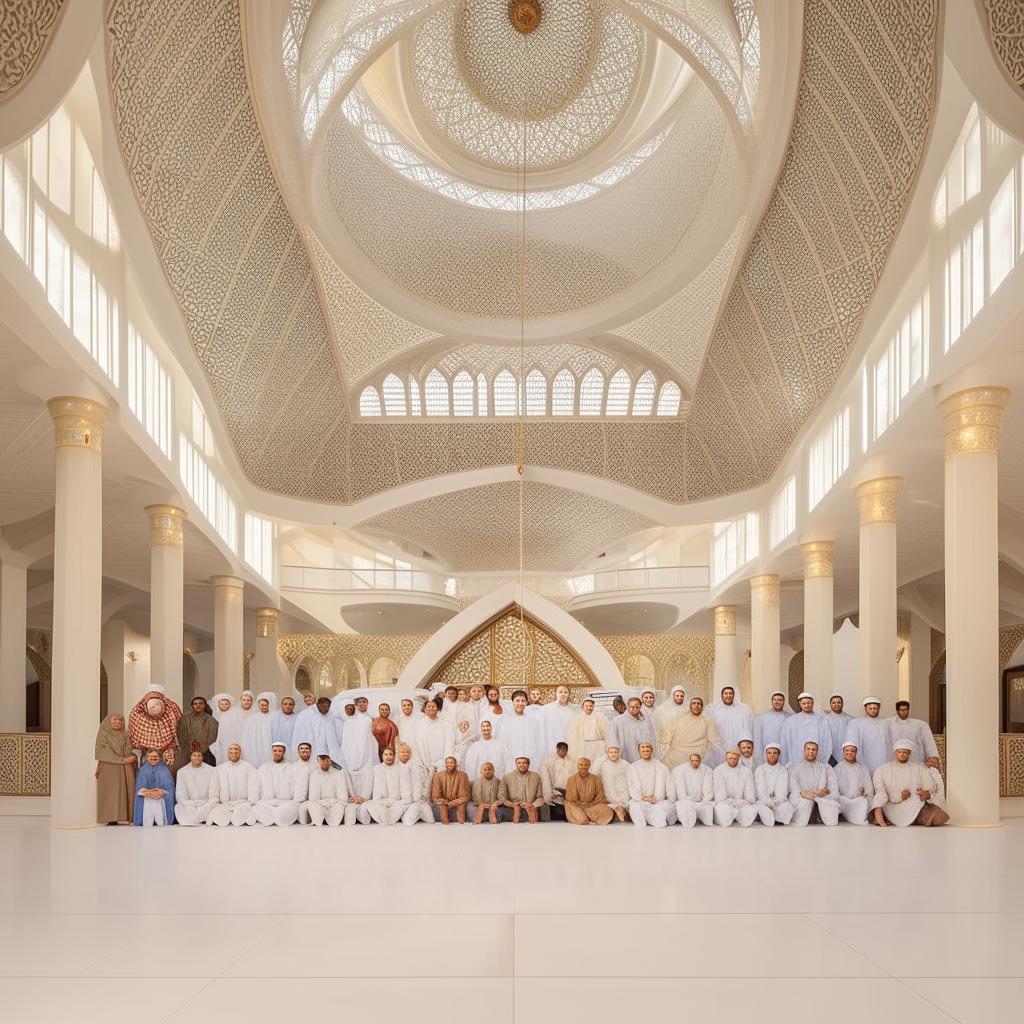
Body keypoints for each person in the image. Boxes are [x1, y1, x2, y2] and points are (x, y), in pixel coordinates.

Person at [871, 741, 949, 827]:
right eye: (899, 752)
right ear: (895, 752)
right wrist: (900, 796)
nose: (902, 754)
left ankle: (917, 819)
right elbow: (881, 794)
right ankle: (892, 819)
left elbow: (930, 786)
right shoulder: (883, 769)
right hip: (892, 806)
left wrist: (926, 793)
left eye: (905, 752)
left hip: (915, 804)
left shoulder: (918, 768)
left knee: (939, 817)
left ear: (909, 753)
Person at [94, 713, 137, 824]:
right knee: (110, 792)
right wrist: (122, 760)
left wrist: (132, 757)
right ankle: (110, 818)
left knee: (123, 791)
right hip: (108, 767)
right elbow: (102, 751)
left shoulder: (126, 734)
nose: (118, 722)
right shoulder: (103, 734)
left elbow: (128, 751)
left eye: (120, 720)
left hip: (124, 768)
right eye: (115, 719)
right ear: (109, 721)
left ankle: (124, 816)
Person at [789, 741, 840, 826]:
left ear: (817, 751)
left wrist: (826, 791)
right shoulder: (795, 768)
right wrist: (802, 793)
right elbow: (794, 788)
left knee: (830, 805)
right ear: (804, 750)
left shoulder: (825, 767)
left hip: (821, 797)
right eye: (808, 749)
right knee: (803, 802)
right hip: (802, 797)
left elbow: (833, 788)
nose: (810, 751)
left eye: (813, 749)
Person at [627, 742, 676, 828]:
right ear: (639, 751)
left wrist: (656, 799)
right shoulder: (633, 767)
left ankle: (653, 816)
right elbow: (632, 786)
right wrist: (643, 798)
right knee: (635, 806)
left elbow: (669, 786)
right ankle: (650, 816)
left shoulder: (662, 767)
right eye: (643, 748)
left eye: (647, 748)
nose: (645, 750)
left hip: (657, 801)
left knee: (670, 807)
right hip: (640, 801)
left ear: (651, 750)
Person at [662, 696, 720, 769]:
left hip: (699, 750)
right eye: (694, 703)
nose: (696, 706)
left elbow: (713, 738)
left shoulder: (707, 720)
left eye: (699, 704)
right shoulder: (680, 719)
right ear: (690, 706)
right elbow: (667, 735)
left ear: (702, 707)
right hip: (680, 750)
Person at [208, 743, 258, 826]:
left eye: (236, 750)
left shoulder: (249, 768)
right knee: (219, 819)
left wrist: (251, 803)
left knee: (242, 818)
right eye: (231, 750)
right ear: (228, 753)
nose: (233, 752)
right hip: (226, 804)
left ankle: (240, 817)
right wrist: (215, 804)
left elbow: (254, 788)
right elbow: (214, 789)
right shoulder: (219, 769)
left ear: (240, 753)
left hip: (244, 804)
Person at [359, 746, 411, 825]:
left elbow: (405, 788)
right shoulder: (376, 769)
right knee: (364, 807)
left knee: (398, 809)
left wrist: (404, 800)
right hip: (379, 802)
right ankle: (383, 817)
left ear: (394, 756)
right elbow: (368, 786)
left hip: (395, 802)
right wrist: (364, 798)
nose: (388, 757)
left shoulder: (401, 769)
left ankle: (386, 818)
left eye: (391, 754)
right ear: (382, 756)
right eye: (386, 754)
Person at [128, 687, 182, 763]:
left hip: (169, 750)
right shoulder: (137, 713)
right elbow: (134, 738)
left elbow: (179, 732)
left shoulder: (172, 710)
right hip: (146, 752)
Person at [252, 742, 300, 826]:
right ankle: (275, 816)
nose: (277, 753)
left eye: (280, 751)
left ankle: (274, 817)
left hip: (285, 802)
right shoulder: (263, 768)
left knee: (294, 808)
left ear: (284, 753)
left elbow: (294, 787)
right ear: (272, 752)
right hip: (266, 802)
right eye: (275, 751)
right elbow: (257, 787)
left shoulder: (291, 768)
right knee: (255, 808)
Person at [705, 686, 754, 768]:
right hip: (719, 747)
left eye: (730, 693)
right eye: (725, 694)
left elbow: (747, 728)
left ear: (734, 695)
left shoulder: (743, 710)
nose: (728, 696)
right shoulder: (714, 711)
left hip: (736, 744)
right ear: (722, 696)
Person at [844, 697, 893, 774]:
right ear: (865, 709)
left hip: (882, 761)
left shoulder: (885, 723)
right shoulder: (856, 723)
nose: (873, 710)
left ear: (879, 708)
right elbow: (852, 744)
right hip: (864, 761)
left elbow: (890, 745)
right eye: (870, 708)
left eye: (875, 708)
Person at [497, 689, 544, 768]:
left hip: (528, 760)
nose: (520, 703)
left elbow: (537, 746)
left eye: (523, 701)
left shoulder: (533, 722)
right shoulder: (505, 721)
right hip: (510, 760)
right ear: (513, 702)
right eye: (517, 701)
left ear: (526, 703)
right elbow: (502, 745)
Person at [780, 693, 831, 766]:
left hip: (817, 761)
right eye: (804, 703)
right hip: (796, 760)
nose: (806, 705)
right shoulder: (791, 721)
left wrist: (823, 761)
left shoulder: (821, 721)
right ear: (800, 704)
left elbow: (827, 743)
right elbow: (785, 742)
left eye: (809, 703)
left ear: (813, 703)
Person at [303, 752, 352, 826]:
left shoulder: (338, 775)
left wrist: (331, 803)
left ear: (330, 760)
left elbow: (342, 797)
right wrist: (324, 803)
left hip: (335, 804)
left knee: (340, 807)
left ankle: (331, 821)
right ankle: (319, 820)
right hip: (319, 804)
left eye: (326, 759)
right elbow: (313, 798)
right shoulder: (314, 776)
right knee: (312, 806)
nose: (323, 762)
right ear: (318, 761)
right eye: (321, 760)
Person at [712, 748, 757, 827]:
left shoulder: (746, 771)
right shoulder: (718, 770)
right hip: (724, 804)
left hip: (742, 803)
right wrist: (730, 802)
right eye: (730, 758)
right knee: (723, 813)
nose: (732, 760)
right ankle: (731, 815)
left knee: (752, 811)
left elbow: (750, 794)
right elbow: (720, 795)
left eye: (734, 758)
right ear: (726, 758)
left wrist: (740, 802)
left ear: (739, 758)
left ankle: (738, 815)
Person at [292, 696, 343, 765]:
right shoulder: (305, 715)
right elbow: (300, 735)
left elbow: (338, 733)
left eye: (327, 706)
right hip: (312, 748)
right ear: (317, 705)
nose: (325, 708)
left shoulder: (333, 715)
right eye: (323, 706)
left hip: (329, 750)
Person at [174, 749, 218, 825]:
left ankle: (193, 820)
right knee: (178, 807)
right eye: (194, 755)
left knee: (214, 806)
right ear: (190, 757)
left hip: (206, 804)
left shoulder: (211, 770)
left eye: (199, 756)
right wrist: (192, 804)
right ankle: (198, 819)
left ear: (202, 757)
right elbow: (180, 794)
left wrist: (205, 805)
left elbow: (214, 794)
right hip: (190, 805)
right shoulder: (182, 772)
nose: (197, 758)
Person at [606, 697, 656, 764]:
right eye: (631, 707)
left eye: (637, 707)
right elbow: (612, 738)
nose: (634, 709)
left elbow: (652, 737)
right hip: (625, 756)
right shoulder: (618, 720)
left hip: (643, 755)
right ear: (627, 706)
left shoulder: (645, 720)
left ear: (640, 706)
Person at [753, 744, 793, 826]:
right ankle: (769, 818)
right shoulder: (760, 769)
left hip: (778, 802)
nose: (772, 755)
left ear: (779, 755)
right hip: (762, 801)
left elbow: (783, 791)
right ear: (766, 754)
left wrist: (776, 802)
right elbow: (760, 791)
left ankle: (775, 819)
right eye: (769, 753)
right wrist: (768, 802)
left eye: (775, 753)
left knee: (787, 807)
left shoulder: (783, 770)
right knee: (764, 810)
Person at [133, 748, 175, 826]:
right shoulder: (143, 770)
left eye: (155, 757)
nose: (153, 758)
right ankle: (145, 822)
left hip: (161, 797)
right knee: (147, 801)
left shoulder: (164, 769)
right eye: (151, 757)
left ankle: (162, 822)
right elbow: (140, 787)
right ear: (147, 757)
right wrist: (149, 793)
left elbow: (169, 787)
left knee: (159, 802)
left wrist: (161, 792)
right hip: (147, 797)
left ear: (159, 757)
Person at [565, 757, 613, 825]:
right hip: (577, 806)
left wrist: (590, 804)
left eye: (586, 765)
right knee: (569, 806)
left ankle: (586, 816)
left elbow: (600, 796)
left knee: (607, 810)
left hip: (592, 806)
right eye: (581, 765)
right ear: (577, 766)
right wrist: (580, 805)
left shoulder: (596, 779)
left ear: (589, 766)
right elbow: (570, 798)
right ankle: (587, 818)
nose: (583, 767)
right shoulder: (571, 779)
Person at [834, 742, 873, 825]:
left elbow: (869, 789)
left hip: (858, 801)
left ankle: (856, 817)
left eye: (852, 751)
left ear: (856, 752)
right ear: (843, 752)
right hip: (843, 801)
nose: (849, 753)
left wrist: (864, 794)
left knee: (864, 802)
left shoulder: (863, 769)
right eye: (847, 750)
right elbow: (834, 790)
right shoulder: (837, 768)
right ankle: (843, 815)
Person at [672, 752, 715, 827]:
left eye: (696, 761)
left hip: (702, 801)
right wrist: (693, 799)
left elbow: (708, 790)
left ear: (700, 761)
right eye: (692, 761)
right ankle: (690, 821)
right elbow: (681, 794)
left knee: (707, 809)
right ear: (689, 761)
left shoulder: (707, 770)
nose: (694, 763)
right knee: (684, 807)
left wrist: (703, 800)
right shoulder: (680, 770)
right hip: (687, 801)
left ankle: (701, 817)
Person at [497, 756, 545, 823]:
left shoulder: (536, 777)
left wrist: (531, 805)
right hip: (512, 808)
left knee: (543, 809)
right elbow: (502, 796)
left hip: (531, 808)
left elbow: (540, 796)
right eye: (519, 763)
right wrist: (513, 805)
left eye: (524, 763)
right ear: (516, 764)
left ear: (528, 764)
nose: (521, 765)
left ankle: (528, 817)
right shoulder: (507, 777)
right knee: (499, 811)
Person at [175, 696, 218, 768]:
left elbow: (213, 738)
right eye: (195, 704)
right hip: (187, 754)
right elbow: (181, 737)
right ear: (192, 706)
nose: (198, 705)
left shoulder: (211, 720)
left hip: (206, 754)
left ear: (205, 705)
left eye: (200, 703)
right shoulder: (184, 719)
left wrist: (200, 750)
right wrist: (192, 749)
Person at [536, 684, 579, 756]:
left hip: (570, 742)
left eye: (566, 692)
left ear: (569, 695)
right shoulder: (546, 709)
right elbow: (542, 729)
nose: (563, 694)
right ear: (556, 694)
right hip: (552, 742)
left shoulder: (575, 709)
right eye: (560, 692)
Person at [398, 742, 434, 825]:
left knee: (430, 821)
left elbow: (426, 784)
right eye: (403, 752)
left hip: (418, 801)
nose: (405, 754)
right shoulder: (395, 767)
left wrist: (423, 798)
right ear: (398, 753)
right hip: (402, 802)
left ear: (410, 754)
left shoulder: (417, 766)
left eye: (407, 752)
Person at [416, 696, 456, 770]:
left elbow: (449, 742)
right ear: (425, 709)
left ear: (438, 708)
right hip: (426, 760)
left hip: (441, 760)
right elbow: (418, 743)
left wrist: (444, 761)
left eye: (433, 706)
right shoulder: (420, 724)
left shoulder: (445, 724)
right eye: (428, 706)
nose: (431, 708)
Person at [567, 697, 610, 763]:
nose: (589, 708)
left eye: (591, 706)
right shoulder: (577, 719)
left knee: (598, 763)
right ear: (582, 707)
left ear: (593, 707)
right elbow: (573, 735)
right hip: (584, 745)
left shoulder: (600, 717)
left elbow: (606, 731)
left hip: (598, 745)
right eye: (586, 706)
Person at [540, 742, 575, 821]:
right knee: (558, 814)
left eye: (564, 749)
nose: (562, 751)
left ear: (567, 750)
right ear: (557, 749)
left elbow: (574, 778)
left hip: (568, 792)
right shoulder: (548, 761)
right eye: (560, 749)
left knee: (569, 814)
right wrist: (548, 794)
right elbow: (545, 779)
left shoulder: (571, 761)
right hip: (554, 792)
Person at [431, 755, 470, 824]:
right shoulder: (438, 776)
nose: (449, 764)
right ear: (445, 764)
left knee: (461, 810)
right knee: (442, 807)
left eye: (451, 763)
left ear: (455, 764)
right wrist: (442, 801)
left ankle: (462, 826)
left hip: (459, 800)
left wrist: (456, 801)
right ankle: (446, 827)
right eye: (447, 763)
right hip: (444, 801)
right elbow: (435, 795)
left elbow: (465, 795)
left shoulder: (462, 775)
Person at [242, 693, 277, 767]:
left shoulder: (273, 717)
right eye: (262, 705)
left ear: (268, 705)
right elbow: (247, 735)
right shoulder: (252, 718)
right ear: (258, 705)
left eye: (265, 705)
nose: (264, 707)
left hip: (269, 743)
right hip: (256, 745)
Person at [753, 691, 792, 756]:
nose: (777, 702)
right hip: (767, 754)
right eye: (775, 700)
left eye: (780, 700)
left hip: (784, 754)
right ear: (771, 701)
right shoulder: (761, 718)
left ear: (784, 702)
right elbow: (757, 740)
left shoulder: (789, 718)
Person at [598, 745, 630, 823]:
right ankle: (617, 809)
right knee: (609, 803)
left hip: (623, 791)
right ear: (607, 754)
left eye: (615, 752)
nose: (613, 754)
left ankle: (621, 809)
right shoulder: (604, 765)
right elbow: (601, 779)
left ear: (619, 753)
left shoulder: (625, 764)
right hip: (610, 792)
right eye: (611, 752)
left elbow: (630, 777)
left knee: (626, 803)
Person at [654, 685, 687, 759]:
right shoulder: (663, 709)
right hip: (668, 742)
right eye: (677, 695)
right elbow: (658, 724)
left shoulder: (687, 708)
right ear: (673, 696)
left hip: (683, 741)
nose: (679, 698)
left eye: (681, 696)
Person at [823, 694, 853, 765]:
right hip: (830, 755)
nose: (837, 704)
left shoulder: (850, 719)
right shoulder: (824, 719)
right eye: (834, 703)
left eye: (839, 702)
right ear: (830, 704)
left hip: (847, 753)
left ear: (842, 704)